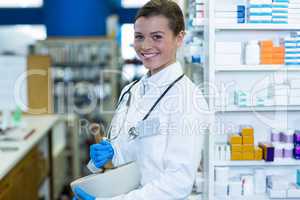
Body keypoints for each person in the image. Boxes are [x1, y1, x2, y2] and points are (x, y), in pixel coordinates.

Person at [73, 0, 209, 199]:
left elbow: (178, 183)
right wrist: (113, 152)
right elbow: (133, 148)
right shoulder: (131, 91)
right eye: (139, 37)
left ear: (179, 38)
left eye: (157, 37)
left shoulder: (188, 99)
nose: (145, 46)